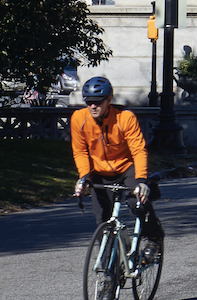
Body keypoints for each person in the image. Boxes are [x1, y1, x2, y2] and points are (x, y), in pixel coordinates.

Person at [69, 76, 162, 248]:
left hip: (126, 167)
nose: (93, 106)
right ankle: (108, 272)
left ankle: (154, 237)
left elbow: (138, 150)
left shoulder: (125, 118)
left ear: (109, 100)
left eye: (98, 102)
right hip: (99, 171)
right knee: (102, 220)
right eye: (89, 102)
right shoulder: (78, 119)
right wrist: (84, 177)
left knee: (137, 203)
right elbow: (80, 151)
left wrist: (141, 180)